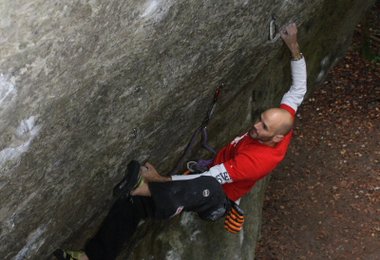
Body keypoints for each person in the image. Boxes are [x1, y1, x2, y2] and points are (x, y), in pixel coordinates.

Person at [54, 23, 307, 260]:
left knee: (202, 186)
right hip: (203, 180)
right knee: (131, 205)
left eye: (263, 127)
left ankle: (143, 187)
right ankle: (92, 256)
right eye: (260, 118)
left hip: (216, 198)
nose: (255, 125)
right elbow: (298, 91)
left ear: (276, 137)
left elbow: (213, 177)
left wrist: (159, 180)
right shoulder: (283, 123)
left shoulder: (257, 162)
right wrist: (293, 45)